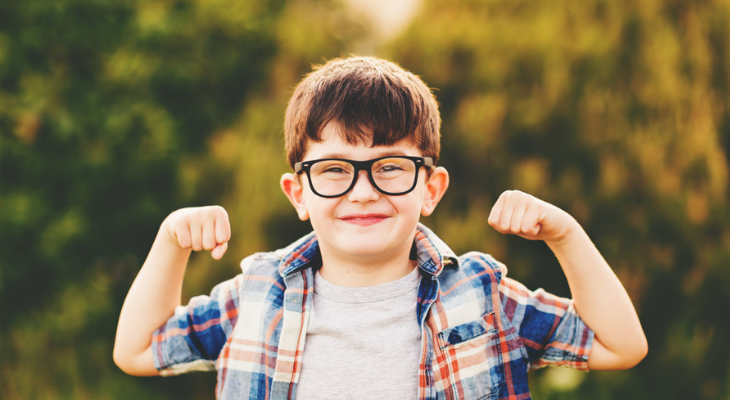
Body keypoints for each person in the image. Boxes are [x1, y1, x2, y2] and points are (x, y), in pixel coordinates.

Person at [113, 56, 648, 400]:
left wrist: (566, 235)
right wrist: (170, 242)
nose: (362, 190)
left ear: (431, 189)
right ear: (298, 193)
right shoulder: (255, 295)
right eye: (333, 170)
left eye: (390, 166)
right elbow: (138, 351)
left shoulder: (482, 296)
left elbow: (619, 345)